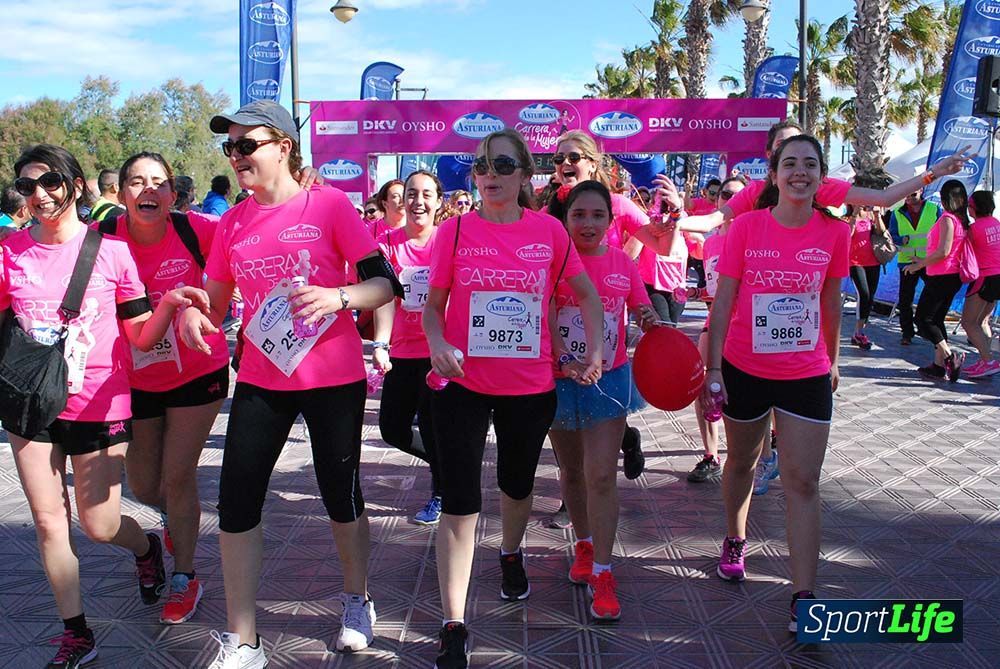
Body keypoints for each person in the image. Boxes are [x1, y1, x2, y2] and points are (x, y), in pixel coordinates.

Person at [177, 100, 398, 668]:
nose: (237, 156)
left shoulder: (327, 206)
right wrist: (196, 317)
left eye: (246, 145)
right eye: (231, 148)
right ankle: (244, 640)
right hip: (260, 376)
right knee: (235, 503)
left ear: (283, 146)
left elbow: (384, 284)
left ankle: (356, 599)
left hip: (333, 377)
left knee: (340, 496)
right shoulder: (232, 222)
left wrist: (338, 297)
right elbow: (217, 303)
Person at [2, 144, 209, 668]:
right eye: (27, 187)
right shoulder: (9, 252)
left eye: (50, 182)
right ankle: (77, 634)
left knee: (98, 524)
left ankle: (146, 550)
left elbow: (140, 337)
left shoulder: (110, 251)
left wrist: (169, 304)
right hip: (31, 404)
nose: (40, 196)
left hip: (98, 401)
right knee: (50, 523)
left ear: (74, 185)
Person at [422, 129, 604, 669]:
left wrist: (593, 351)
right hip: (462, 385)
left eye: (503, 164)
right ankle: (453, 623)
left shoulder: (549, 232)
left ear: (527, 174)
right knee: (459, 501)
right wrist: (435, 342)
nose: (490, 174)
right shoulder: (453, 232)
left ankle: (510, 552)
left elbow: (588, 297)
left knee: (516, 485)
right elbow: (432, 307)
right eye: (481, 165)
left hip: (529, 389)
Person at [705, 135, 850, 634]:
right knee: (742, 461)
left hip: (805, 371)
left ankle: (804, 597)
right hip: (744, 366)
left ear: (821, 176)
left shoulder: (836, 232)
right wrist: (714, 366)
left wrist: (833, 358)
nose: (800, 173)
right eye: (790, 164)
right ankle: (734, 537)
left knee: (803, 482)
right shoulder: (746, 226)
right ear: (774, 174)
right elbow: (724, 299)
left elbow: (831, 301)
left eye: (810, 164)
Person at [103, 151, 231, 625]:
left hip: (198, 371)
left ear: (173, 195)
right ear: (121, 196)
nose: (149, 190)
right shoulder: (102, 241)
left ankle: (184, 577)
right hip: (133, 378)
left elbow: (244, 255)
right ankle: (172, 529)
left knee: (178, 477)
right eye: (136, 182)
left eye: (159, 182)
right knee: (143, 484)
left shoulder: (197, 230)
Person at [547, 180, 657, 621]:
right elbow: (545, 317)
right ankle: (585, 546)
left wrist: (649, 318)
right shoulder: (554, 262)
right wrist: (564, 358)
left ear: (611, 223)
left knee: (601, 477)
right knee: (572, 473)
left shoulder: (620, 263)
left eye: (597, 216)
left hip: (608, 381)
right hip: (559, 380)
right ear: (566, 220)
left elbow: (642, 306)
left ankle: (605, 572)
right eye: (579, 215)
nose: (588, 224)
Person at [550, 130, 651, 481]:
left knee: (600, 473)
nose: (565, 164)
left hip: (610, 368)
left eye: (574, 157)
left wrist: (673, 218)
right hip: (560, 370)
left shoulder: (621, 215)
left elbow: (660, 241)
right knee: (573, 471)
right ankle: (580, 522)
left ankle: (597, 523)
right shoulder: (547, 224)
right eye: (559, 158)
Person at [371, 170, 445, 524]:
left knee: (434, 427)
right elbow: (384, 297)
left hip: (438, 353)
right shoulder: (387, 242)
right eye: (411, 194)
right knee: (392, 429)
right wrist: (381, 344)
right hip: (402, 351)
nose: (418, 201)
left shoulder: (449, 241)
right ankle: (444, 462)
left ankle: (441, 492)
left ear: (438, 202)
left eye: (426, 194)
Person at [687, 175, 746, 483]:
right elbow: (716, 289)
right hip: (715, 325)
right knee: (704, 388)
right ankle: (711, 455)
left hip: (749, 330)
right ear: (719, 201)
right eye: (726, 195)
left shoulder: (754, 237)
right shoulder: (711, 243)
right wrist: (696, 294)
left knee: (752, 394)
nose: (732, 200)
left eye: (739, 195)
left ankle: (764, 445)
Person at [906, 179, 970, 382]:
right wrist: (922, 259)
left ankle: (949, 357)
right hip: (947, 275)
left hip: (943, 276)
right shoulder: (960, 220)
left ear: (944, 199)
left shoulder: (948, 219)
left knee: (923, 319)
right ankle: (938, 364)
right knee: (936, 319)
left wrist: (919, 264)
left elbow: (944, 251)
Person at [886, 190, 942, 345]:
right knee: (905, 299)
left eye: (913, 194)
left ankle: (930, 328)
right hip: (908, 261)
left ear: (921, 191)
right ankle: (907, 333)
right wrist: (899, 239)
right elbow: (892, 234)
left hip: (929, 260)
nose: (909, 197)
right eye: (907, 195)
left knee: (935, 295)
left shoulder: (934, 208)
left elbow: (943, 231)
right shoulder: (897, 212)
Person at [962, 190, 1000, 378]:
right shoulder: (996, 224)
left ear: (974, 207)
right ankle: (985, 360)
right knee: (982, 321)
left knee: (968, 322)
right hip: (997, 277)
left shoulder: (974, 229)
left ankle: (988, 361)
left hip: (984, 277)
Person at [846, 203, 884, 350]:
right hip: (855, 261)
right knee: (864, 294)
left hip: (873, 261)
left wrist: (877, 214)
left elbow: (881, 232)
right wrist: (854, 215)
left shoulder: (871, 216)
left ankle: (860, 331)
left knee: (870, 297)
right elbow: (848, 235)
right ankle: (859, 331)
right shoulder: (847, 217)